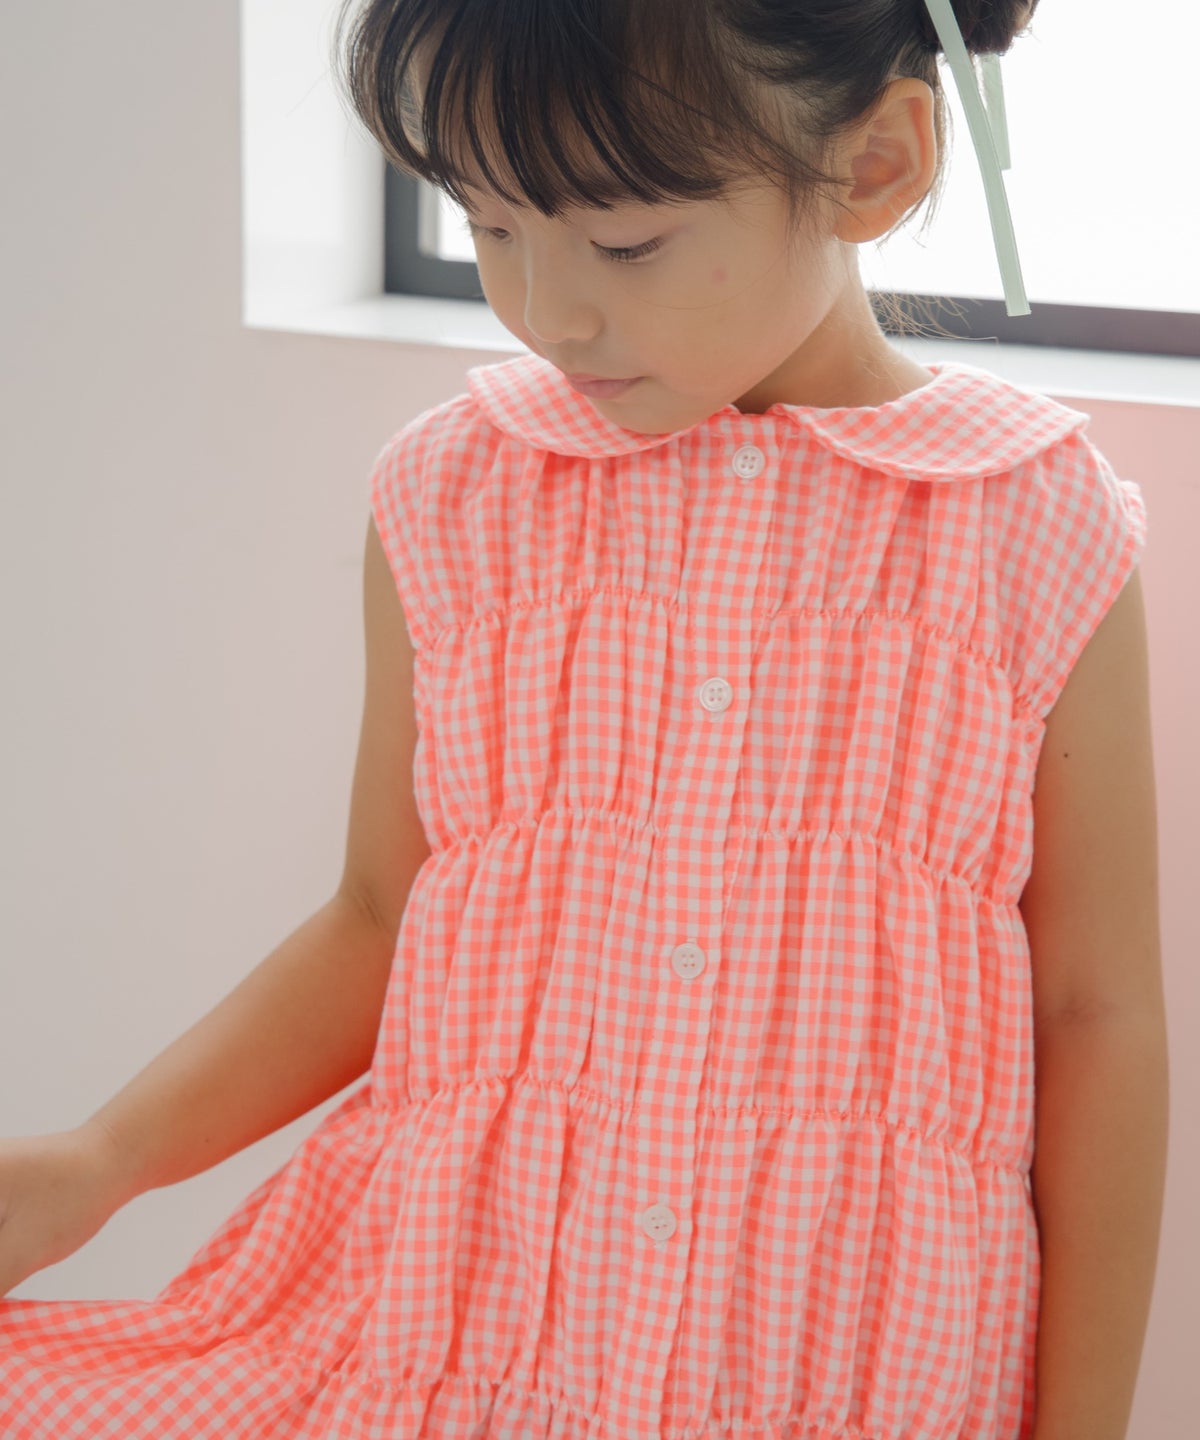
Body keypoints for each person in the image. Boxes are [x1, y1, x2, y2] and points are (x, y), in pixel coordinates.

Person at [0, 1, 1170, 1437]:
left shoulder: (1033, 526)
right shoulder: (454, 496)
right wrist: (101, 1161)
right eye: (490, 225)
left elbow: (1095, 1015)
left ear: (874, 164)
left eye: (624, 243)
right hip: (463, 1329)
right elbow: (380, 917)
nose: (546, 310)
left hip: (839, 1364)